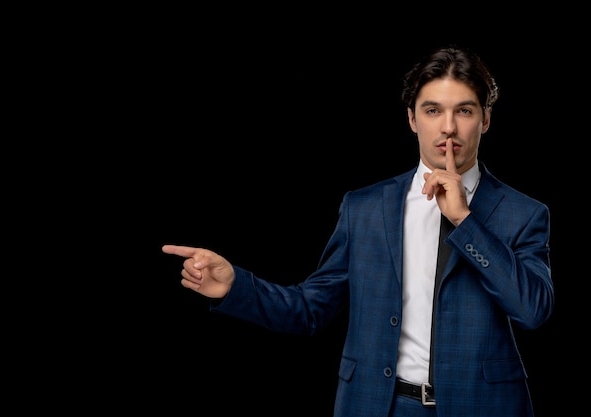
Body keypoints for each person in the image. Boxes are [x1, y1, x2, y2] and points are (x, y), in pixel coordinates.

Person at [162, 45, 554, 417]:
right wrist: (235, 287)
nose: (448, 128)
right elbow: (311, 309)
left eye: (464, 111)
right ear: (412, 118)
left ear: (485, 119)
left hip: (482, 407)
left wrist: (465, 221)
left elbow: (532, 311)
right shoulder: (364, 208)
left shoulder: (524, 213)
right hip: (377, 405)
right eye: (433, 110)